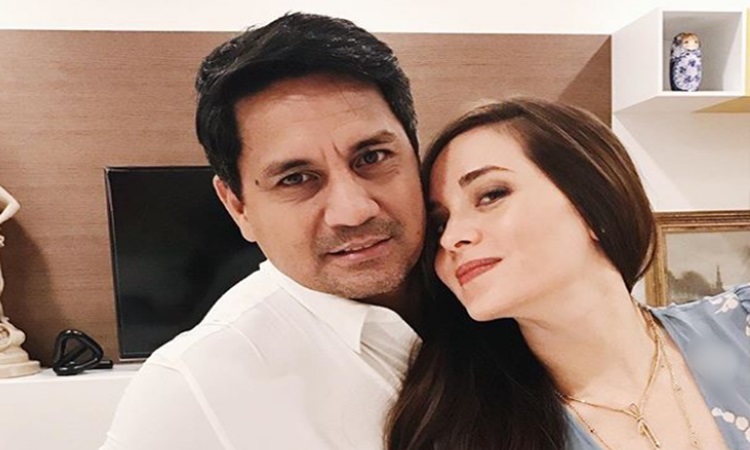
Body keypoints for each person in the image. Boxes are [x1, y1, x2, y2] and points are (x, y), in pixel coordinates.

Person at [101, 13, 425, 450]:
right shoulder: (193, 387)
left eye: (372, 157)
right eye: (295, 178)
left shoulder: (493, 297)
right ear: (238, 207)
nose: (352, 211)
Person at [386, 98, 749, 449]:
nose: (451, 237)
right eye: (440, 223)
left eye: (491, 195)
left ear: (594, 203)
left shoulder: (741, 324)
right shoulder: (464, 433)